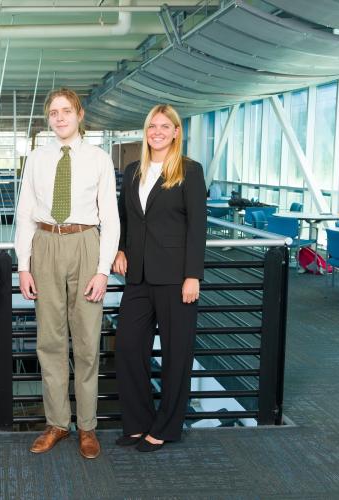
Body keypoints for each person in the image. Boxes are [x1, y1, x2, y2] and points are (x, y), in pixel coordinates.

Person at [14, 88, 119, 459]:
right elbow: (25, 213)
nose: (59, 118)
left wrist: (103, 271)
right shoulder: (37, 159)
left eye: (66, 111)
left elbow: (110, 217)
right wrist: (24, 265)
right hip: (45, 243)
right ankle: (58, 423)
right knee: (50, 342)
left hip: (85, 243)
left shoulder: (99, 158)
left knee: (88, 342)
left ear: (79, 114)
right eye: (53, 112)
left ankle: (87, 427)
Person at [112, 104, 206, 452]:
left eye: (166, 126)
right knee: (127, 347)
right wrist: (120, 249)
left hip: (175, 277)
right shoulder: (134, 169)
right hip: (137, 276)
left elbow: (198, 227)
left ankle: (165, 427)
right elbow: (125, 216)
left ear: (176, 132)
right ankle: (138, 423)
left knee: (176, 354)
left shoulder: (189, 171)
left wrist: (192, 275)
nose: (158, 132)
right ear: (145, 130)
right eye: (153, 125)